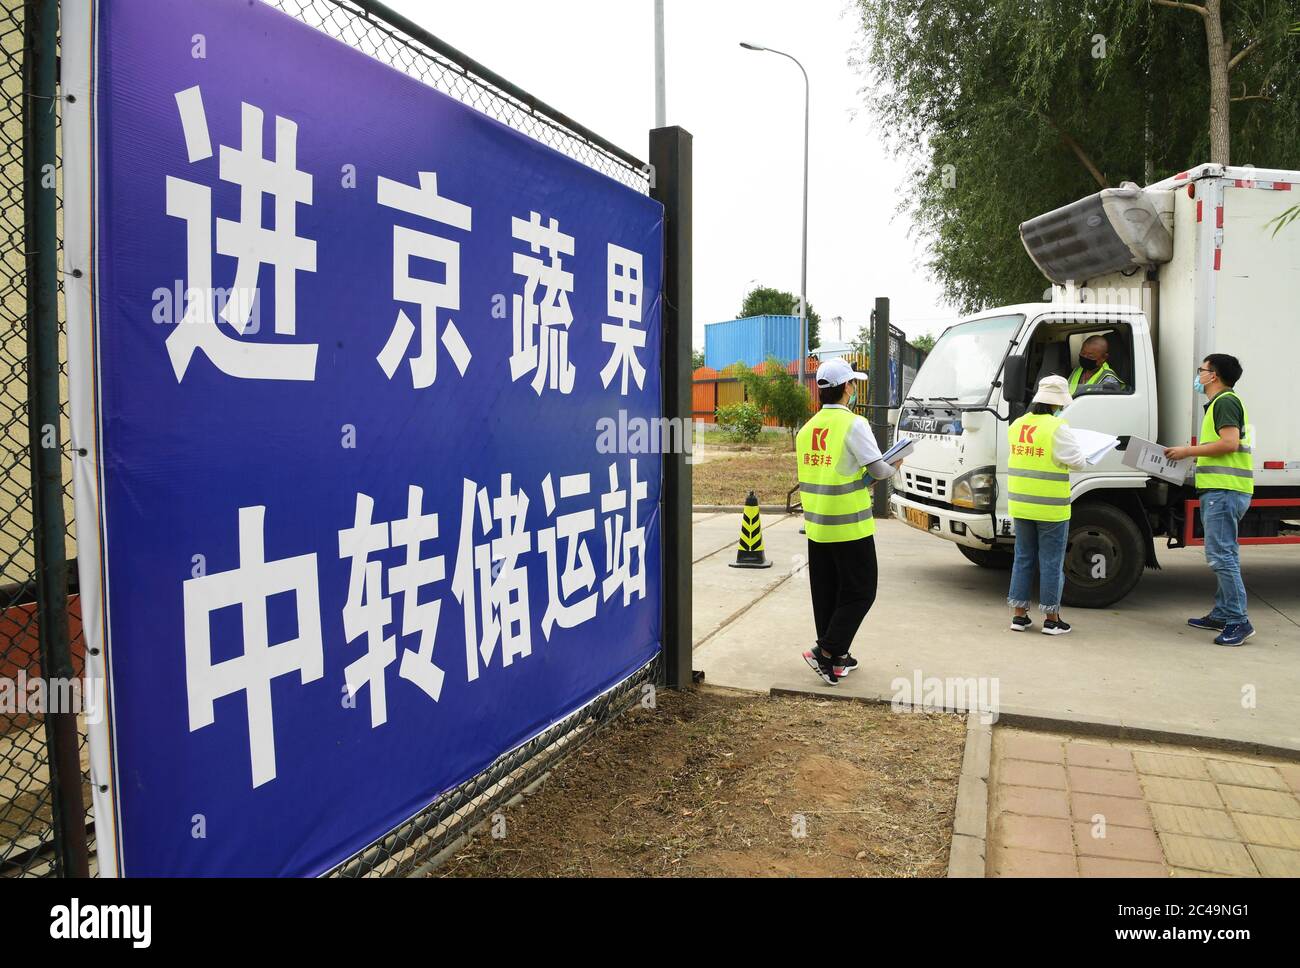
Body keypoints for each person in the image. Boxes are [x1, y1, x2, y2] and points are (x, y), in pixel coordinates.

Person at [796, 358, 903, 684]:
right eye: (853, 384)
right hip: (850, 526)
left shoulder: (806, 429)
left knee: (827, 592)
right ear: (847, 388)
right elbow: (878, 469)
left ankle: (837, 655)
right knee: (860, 591)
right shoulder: (853, 424)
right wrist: (895, 463)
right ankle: (825, 651)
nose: (854, 389)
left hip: (818, 525)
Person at [1163, 354, 1255, 646]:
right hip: (1224, 490)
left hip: (1224, 491)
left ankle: (1239, 621)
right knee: (1225, 553)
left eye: (1201, 370)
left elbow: (1229, 442)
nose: (1198, 375)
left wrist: (1187, 452)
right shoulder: (1223, 402)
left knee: (1221, 556)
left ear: (1213, 375)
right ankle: (1224, 613)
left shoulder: (1225, 402)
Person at [1006, 375, 1088, 635]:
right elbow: (1078, 462)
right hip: (1050, 508)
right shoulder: (1057, 427)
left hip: (1021, 503)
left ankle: (1019, 616)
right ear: (1058, 403)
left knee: (1023, 557)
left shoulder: (1018, 424)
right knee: (1051, 560)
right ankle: (1052, 619)